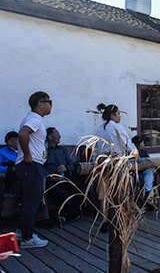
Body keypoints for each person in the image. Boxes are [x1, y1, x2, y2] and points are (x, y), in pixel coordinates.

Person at [15, 91, 52, 249]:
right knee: (33, 202)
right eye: (49, 102)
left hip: (29, 166)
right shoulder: (35, 119)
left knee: (28, 201)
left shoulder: (33, 118)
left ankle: (21, 231)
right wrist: (28, 155)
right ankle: (28, 238)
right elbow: (23, 134)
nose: (51, 105)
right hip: (31, 166)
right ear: (40, 104)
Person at [95, 103, 136, 233]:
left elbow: (95, 148)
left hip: (102, 163)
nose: (120, 117)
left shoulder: (100, 129)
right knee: (122, 191)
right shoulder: (116, 127)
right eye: (118, 114)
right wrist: (135, 153)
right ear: (112, 115)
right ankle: (121, 218)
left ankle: (104, 220)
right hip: (117, 163)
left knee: (104, 194)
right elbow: (128, 145)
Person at [45, 128, 84, 221]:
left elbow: (71, 164)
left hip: (64, 176)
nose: (59, 136)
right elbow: (40, 167)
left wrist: (66, 167)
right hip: (50, 178)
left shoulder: (62, 150)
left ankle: (67, 214)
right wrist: (50, 176)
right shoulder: (43, 150)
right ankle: (66, 214)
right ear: (50, 137)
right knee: (57, 192)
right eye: (57, 134)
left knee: (81, 189)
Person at [131, 135, 154, 203]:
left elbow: (148, 161)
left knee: (149, 174)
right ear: (137, 145)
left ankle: (148, 196)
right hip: (135, 173)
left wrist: (151, 168)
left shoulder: (144, 152)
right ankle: (148, 198)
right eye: (142, 143)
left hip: (144, 171)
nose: (144, 144)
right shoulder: (131, 152)